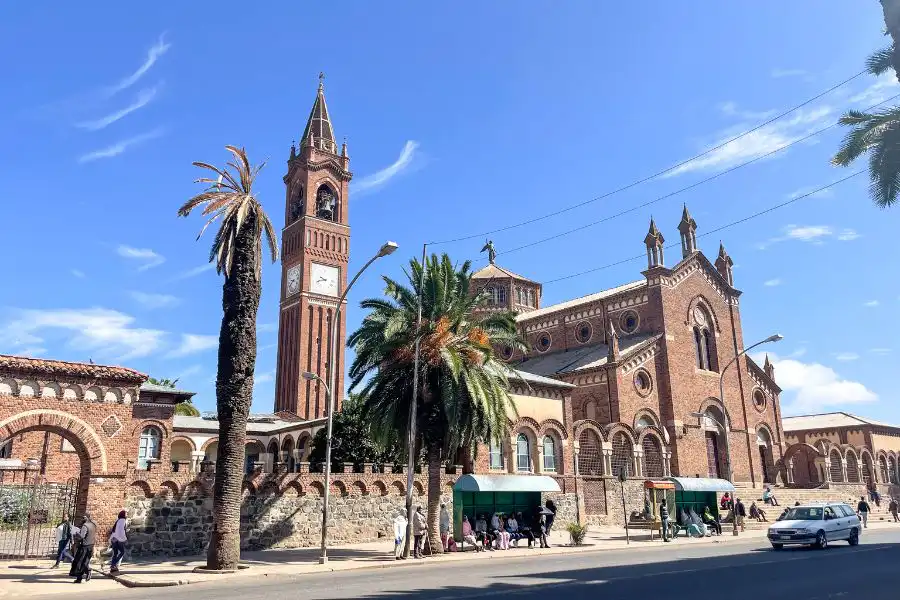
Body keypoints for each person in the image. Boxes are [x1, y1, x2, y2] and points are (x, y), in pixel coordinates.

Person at [69, 514, 96, 583]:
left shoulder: (85, 526)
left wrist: (76, 533)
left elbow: (82, 536)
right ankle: (84, 574)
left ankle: (81, 576)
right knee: (84, 561)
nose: (83, 519)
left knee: (79, 562)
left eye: (84, 517)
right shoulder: (93, 525)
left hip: (84, 546)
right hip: (91, 545)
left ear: (86, 518)